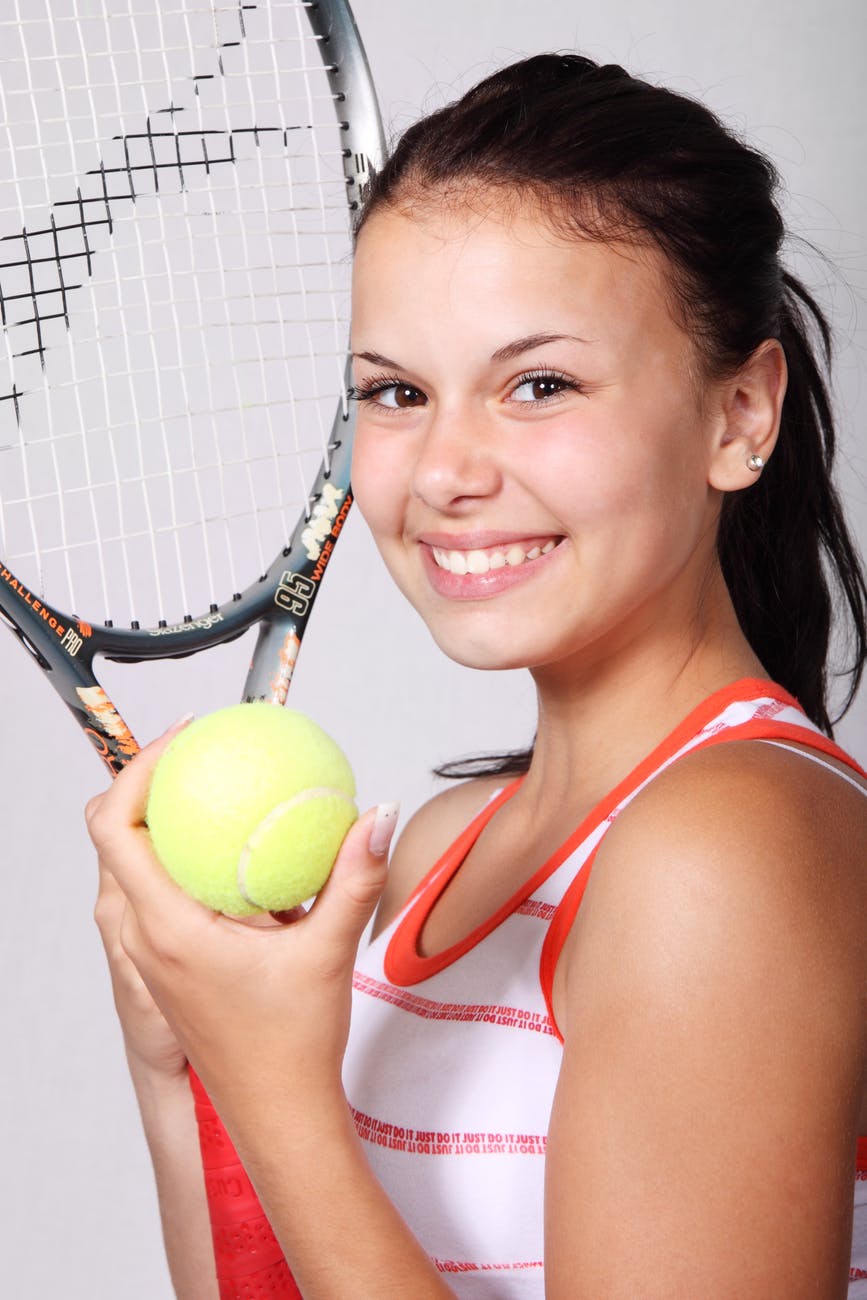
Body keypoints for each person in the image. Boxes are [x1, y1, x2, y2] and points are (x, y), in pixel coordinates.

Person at [87, 54, 867, 1298]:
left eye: (538, 384)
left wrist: (284, 1096)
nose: (445, 467)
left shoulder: (725, 853)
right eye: (397, 391)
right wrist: (187, 1066)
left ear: (740, 416)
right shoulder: (446, 847)